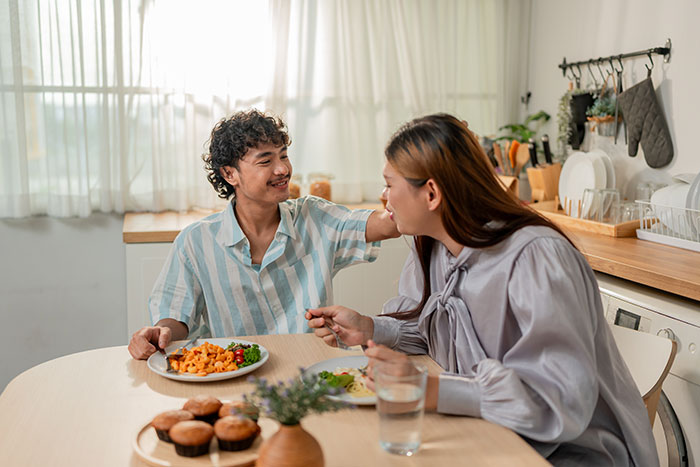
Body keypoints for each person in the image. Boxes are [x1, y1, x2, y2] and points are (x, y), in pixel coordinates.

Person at [306, 113, 657, 465]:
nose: (384, 198)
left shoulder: (536, 257)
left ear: (431, 193)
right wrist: (371, 328)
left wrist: (434, 390)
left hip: (568, 453)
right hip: (491, 432)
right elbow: (435, 333)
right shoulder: (432, 246)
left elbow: (560, 402)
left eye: (388, 184)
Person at [128, 109, 399, 360]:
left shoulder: (315, 217)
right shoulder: (195, 242)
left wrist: (406, 187)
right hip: (231, 373)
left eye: (283, 155)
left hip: (311, 368)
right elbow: (174, 317)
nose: (282, 169)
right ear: (229, 173)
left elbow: (386, 225)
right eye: (266, 160)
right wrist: (159, 334)